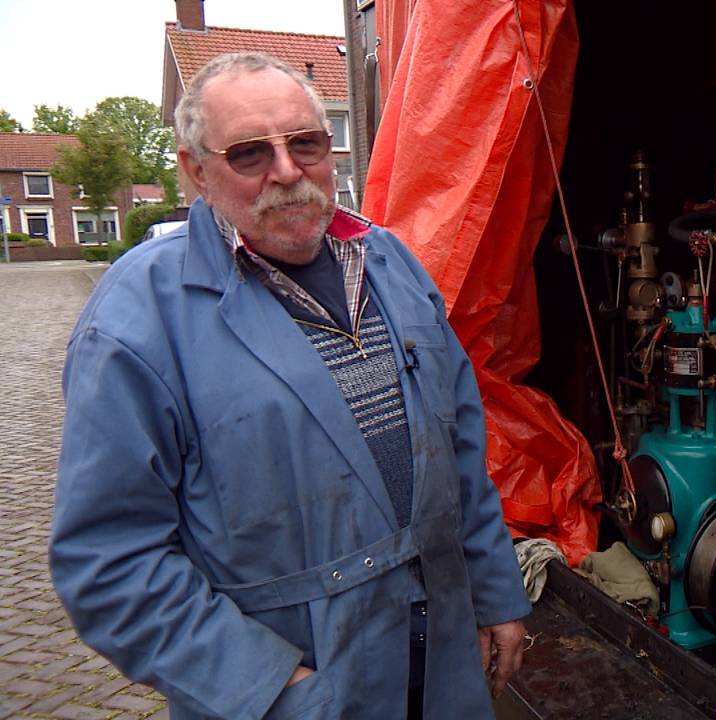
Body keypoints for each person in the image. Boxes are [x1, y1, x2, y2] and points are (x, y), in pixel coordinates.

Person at [49, 52, 530, 719]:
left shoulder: (389, 265)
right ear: (195, 171)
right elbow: (108, 560)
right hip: (297, 687)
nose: (286, 171)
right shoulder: (136, 325)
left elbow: (460, 458)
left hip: (443, 661)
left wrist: (496, 592)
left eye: (305, 142)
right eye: (248, 154)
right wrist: (272, 686)